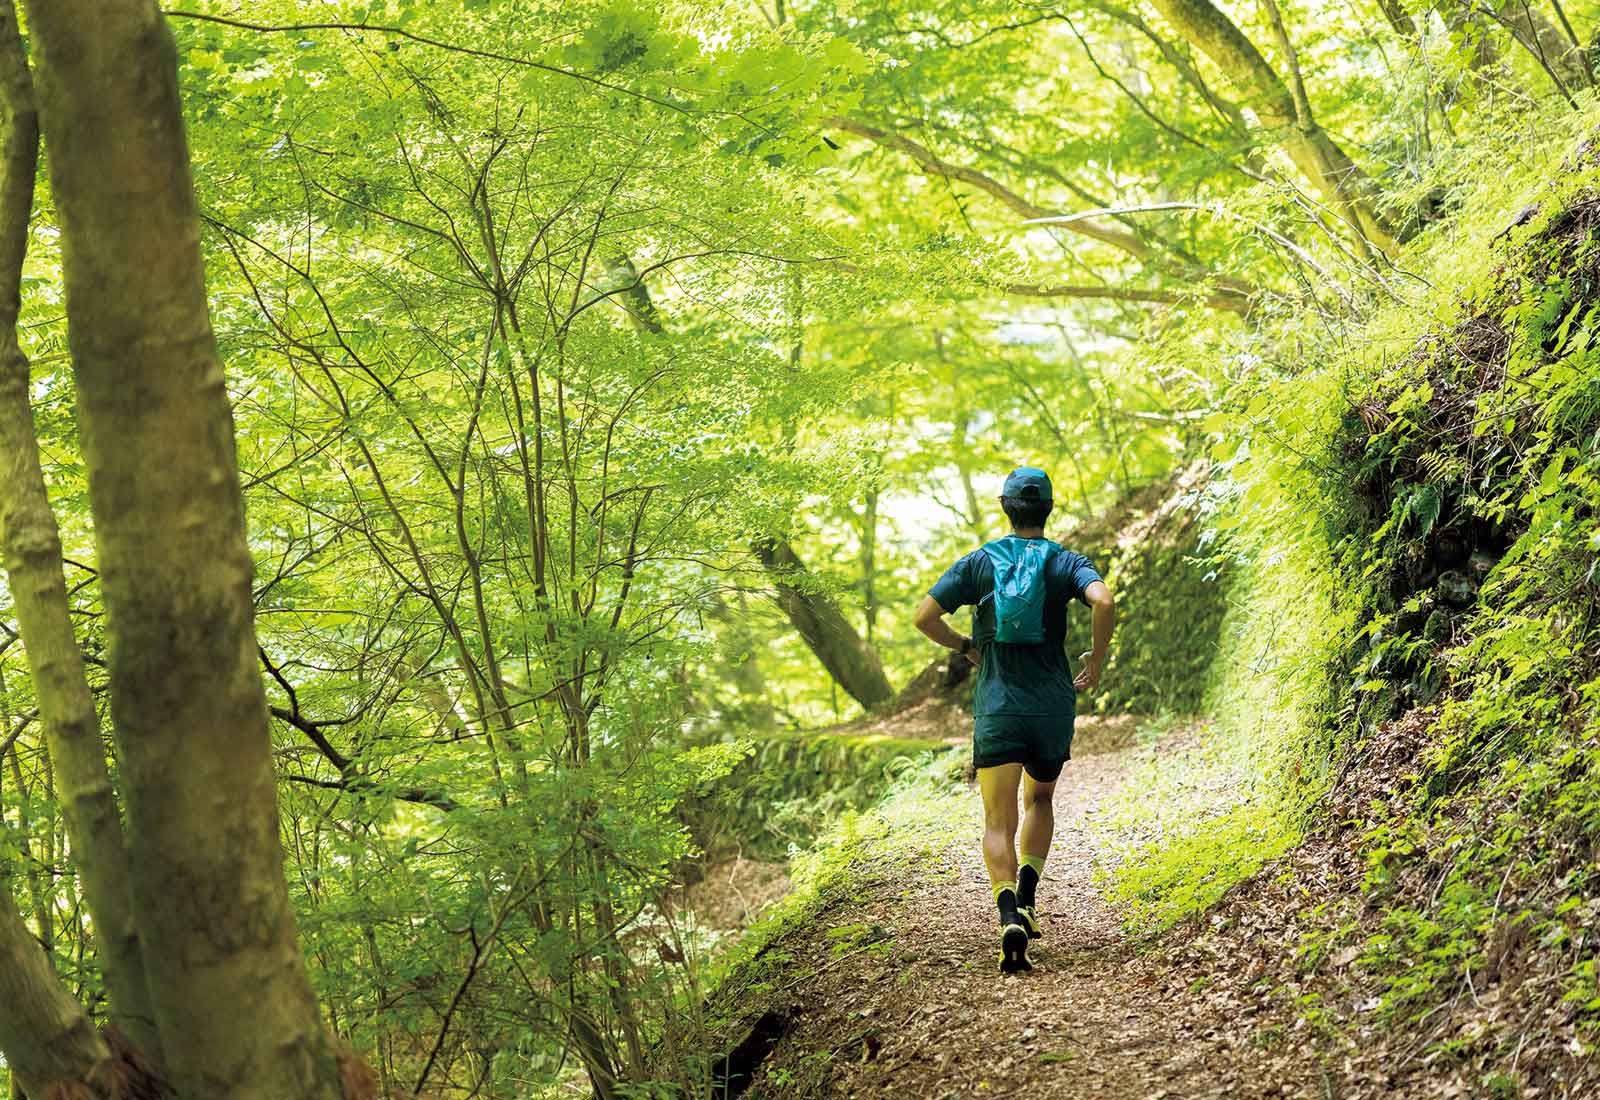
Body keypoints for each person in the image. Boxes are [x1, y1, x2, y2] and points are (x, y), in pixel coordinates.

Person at [913, 466, 1116, 973]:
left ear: (1006, 506)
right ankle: (1028, 897)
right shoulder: (1066, 561)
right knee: (1041, 798)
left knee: (997, 819)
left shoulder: (980, 562)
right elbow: (1104, 600)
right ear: (1047, 508)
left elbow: (923, 617)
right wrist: (1097, 657)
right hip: (1051, 705)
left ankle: (1007, 914)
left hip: (998, 708)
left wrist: (967, 647)